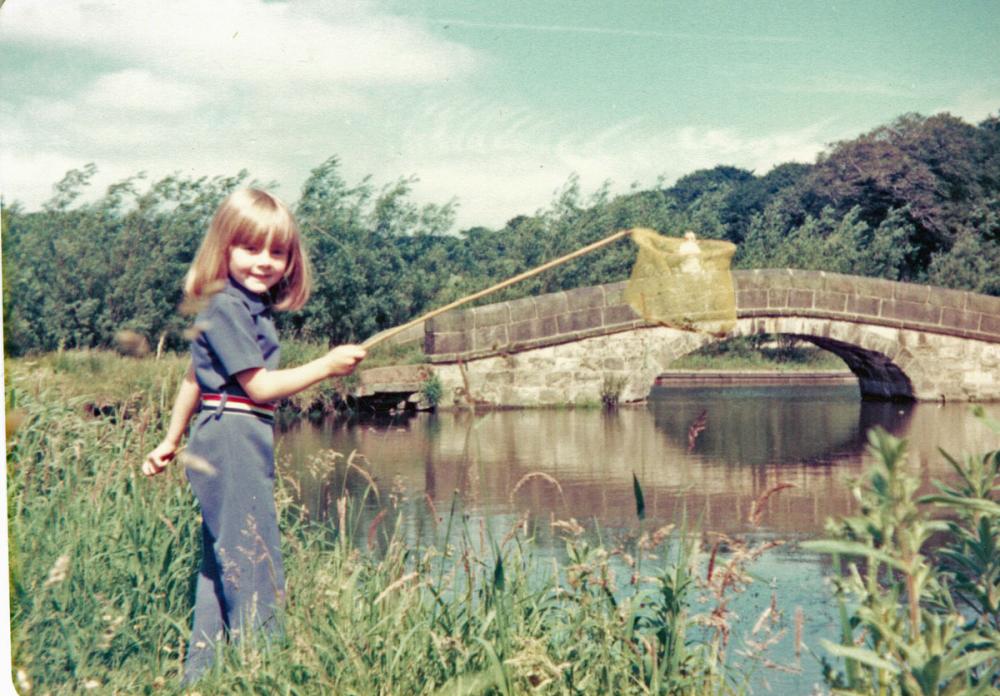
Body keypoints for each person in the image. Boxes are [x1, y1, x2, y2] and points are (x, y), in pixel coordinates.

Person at [143, 188, 366, 682]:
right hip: (233, 434)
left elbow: (192, 378)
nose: (265, 261)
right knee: (252, 553)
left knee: (220, 560)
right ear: (223, 247)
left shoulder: (245, 306)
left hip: (225, 432)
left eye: (278, 251)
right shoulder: (227, 306)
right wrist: (327, 367)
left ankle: (202, 676)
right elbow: (260, 387)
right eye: (251, 248)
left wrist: (170, 439)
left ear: (291, 260)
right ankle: (264, 671)